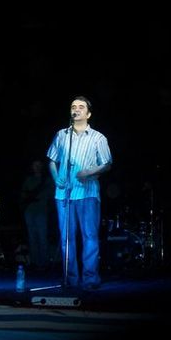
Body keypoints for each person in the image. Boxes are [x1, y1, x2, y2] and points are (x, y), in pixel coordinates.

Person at [47, 95, 112, 290]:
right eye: (73, 106)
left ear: (88, 114)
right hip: (64, 194)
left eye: (81, 107)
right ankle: (70, 278)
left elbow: (107, 164)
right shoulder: (61, 135)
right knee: (66, 238)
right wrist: (56, 177)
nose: (76, 109)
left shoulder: (98, 137)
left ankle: (90, 279)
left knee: (89, 236)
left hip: (87, 193)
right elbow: (52, 160)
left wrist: (89, 172)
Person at [20, 159, 55, 270]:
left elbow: (51, 195)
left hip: (42, 211)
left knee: (42, 237)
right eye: (35, 165)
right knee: (32, 237)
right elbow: (23, 194)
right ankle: (34, 262)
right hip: (30, 211)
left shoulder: (47, 180)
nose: (37, 167)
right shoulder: (29, 179)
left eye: (39, 165)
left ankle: (44, 263)